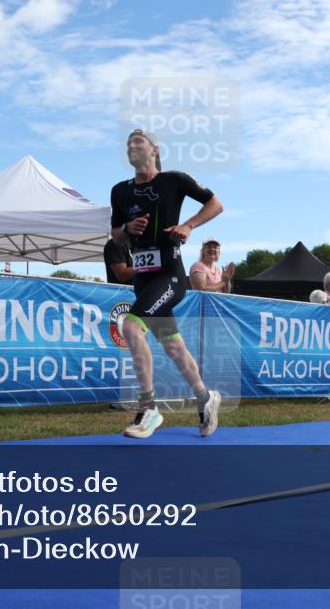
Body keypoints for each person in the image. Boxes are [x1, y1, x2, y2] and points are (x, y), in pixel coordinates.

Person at [110, 128, 224, 439]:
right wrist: (127, 227)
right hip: (144, 278)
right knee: (174, 347)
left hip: (170, 275)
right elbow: (115, 235)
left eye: (139, 141)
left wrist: (188, 225)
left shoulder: (174, 179)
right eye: (129, 142)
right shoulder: (120, 191)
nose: (132, 146)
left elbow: (216, 203)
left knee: (131, 326)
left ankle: (148, 407)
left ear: (155, 149)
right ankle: (205, 398)